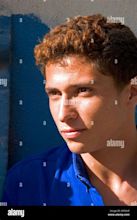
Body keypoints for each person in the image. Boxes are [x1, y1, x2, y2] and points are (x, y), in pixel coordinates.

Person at [2, 14, 137, 206]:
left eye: (83, 91)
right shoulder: (28, 183)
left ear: (131, 94)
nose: (63, 114)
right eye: (54, 93)